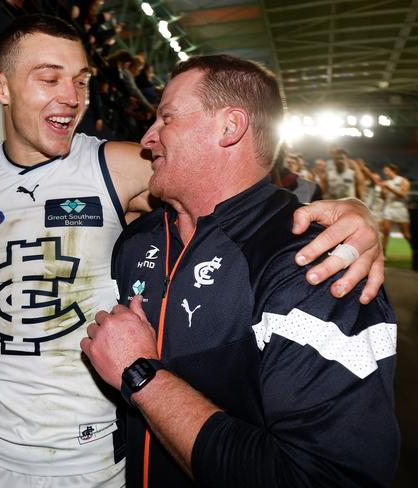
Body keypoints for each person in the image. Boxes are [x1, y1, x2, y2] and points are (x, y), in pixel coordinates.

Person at [0, 14, 385, 488]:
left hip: (95, 463)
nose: (72, 96)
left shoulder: (117, 167)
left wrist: (355, 211)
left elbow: (227, 182)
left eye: (80, 80)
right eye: (49, 78)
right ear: (0, 87)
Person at [80, 54, 399, 488]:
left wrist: (142, 375)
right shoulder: (138, 241)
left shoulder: (313, 261)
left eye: (166, 117)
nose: (147, 137)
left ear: (230, 127)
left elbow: (324, 477)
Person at [380, 163, 411, 254]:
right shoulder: (386, 183)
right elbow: (384, 198)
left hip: (400, 208)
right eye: (384, 171)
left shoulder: (403, 180)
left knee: (406, 234)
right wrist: (382, 191)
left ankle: (414, 248)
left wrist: (389, 188)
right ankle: (383, 252)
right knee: (385, 230)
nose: (385, 173)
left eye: (387, 171)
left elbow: (403, 195)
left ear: (394, 171)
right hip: (388, 207)